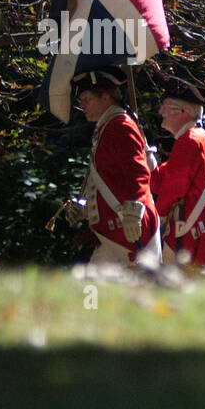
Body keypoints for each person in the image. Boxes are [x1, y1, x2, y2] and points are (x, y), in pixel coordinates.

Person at [70, 68, 161, 264]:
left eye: (86, 99)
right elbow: (109, 180)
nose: (82, 105)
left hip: (129, 229)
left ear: (105, 97)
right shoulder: (107, 127)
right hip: (114, 232)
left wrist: (132, 211)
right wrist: (84, 208)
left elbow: (137, 172)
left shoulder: (120, 125)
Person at [151, 78, 205, 266]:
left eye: (165, 106)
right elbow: (161, 181)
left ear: (181, 111)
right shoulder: (197, 138)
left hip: (187, 228)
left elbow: (173, 189)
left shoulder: (189, 141)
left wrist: (154, 220)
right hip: (197, 226)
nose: (160, 112)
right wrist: (148, 163)